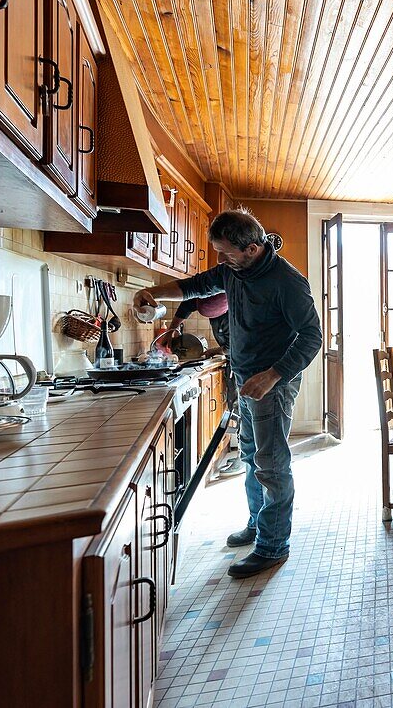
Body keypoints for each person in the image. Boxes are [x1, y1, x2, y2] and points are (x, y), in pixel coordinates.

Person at [133, 209, 323, 579]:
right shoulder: (235, 271)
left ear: (251, 248)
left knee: (271, 464)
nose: (220, 260)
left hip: (272, 383)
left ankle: (273, 545)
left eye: (225, 253)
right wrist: (154, 292)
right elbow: (197, 286)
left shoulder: (287, 281)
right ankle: (257, 524)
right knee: (252, 456)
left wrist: (273, 375)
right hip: (245, 377)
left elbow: (312, 336)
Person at [166, 293, 243, 478]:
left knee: (244, 409)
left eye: (214, 315)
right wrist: (171, 331)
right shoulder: (206, 296)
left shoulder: (234, 315)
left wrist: (214, 351)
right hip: (235, 362)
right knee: (238, 407)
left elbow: (235, 346)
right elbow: (185, 306)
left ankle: (245, 458)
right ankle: (245, 455)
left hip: (246, 364)